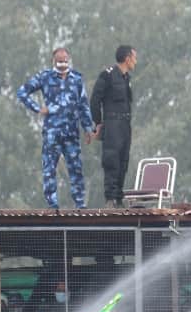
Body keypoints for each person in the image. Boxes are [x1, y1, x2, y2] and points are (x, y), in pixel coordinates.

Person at [17, 47, 95, 209]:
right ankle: (52, 204)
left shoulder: (76, 79)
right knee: (49, 168)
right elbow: (22, 92)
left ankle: (80, 204)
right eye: (59, 60)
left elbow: (83, 105)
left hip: (71, 132)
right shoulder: (45, 77)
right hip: (52, 131)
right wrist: (38, 108)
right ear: (53, 61)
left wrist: (88, 128)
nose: (62, 63)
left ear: (69, 59)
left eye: (65, 60)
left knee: (76, 168)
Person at [90, 45, 137, 207]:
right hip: (112, 124)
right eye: (134, 58)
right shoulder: (107, 75)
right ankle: (110, 199)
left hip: (125, 125)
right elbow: (95, 100)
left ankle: (118, 198)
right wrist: (98, 123)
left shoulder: (126, 78)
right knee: (112, 160)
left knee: (123, 161)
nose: (135, 62)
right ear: (127, 58)